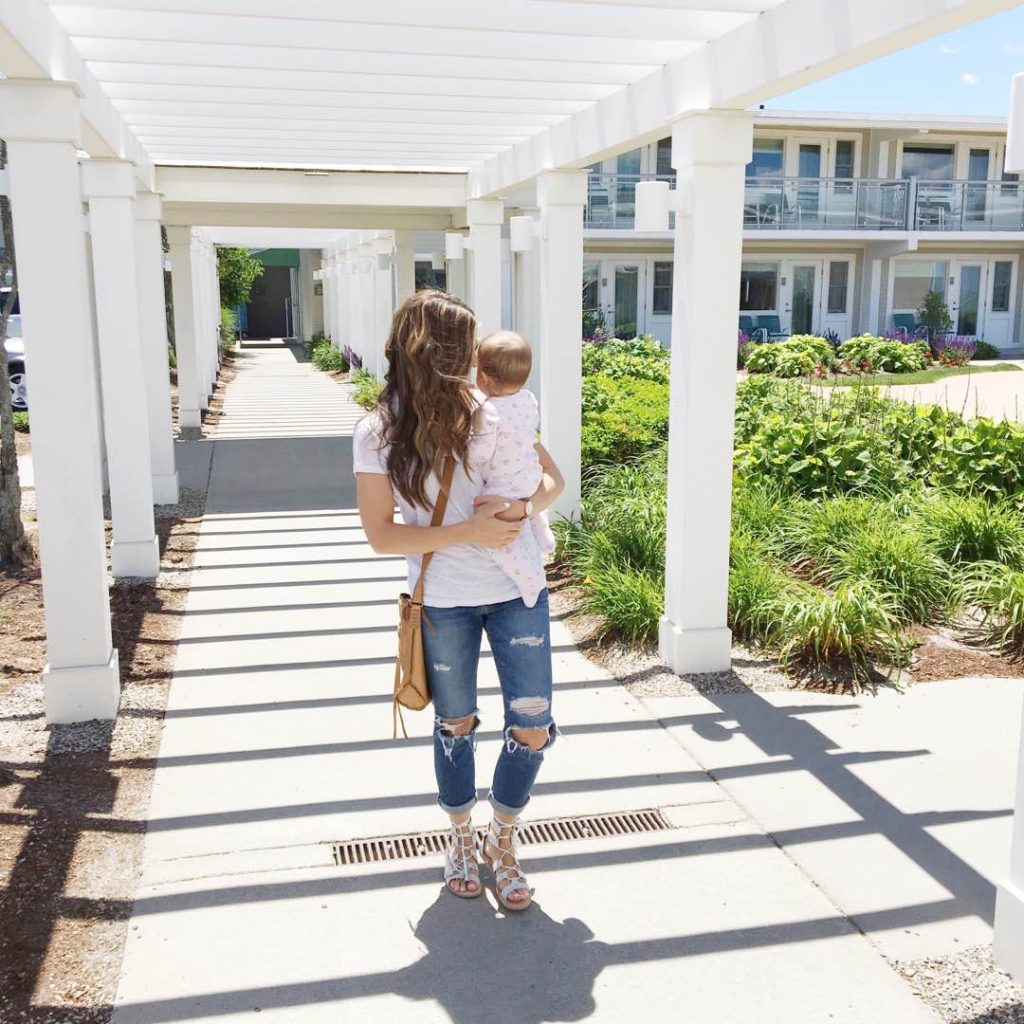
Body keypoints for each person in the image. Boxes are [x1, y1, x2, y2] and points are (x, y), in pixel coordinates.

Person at [353, 290, 564, 912]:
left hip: (516, 592)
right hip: (443, 600)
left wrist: (524, 508)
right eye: (467, 345)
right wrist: (467, 532)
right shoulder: (379, 431)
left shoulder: (497, 408)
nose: (477, 356)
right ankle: (462, 840)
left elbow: (552, 480)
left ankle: (504, 837)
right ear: (438, 353)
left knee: (532, 727)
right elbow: (381, 535)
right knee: (456, 726)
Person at [474, 330, 556, 608]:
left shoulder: (487, 412)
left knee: (501, 541)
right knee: (527, 499)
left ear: (483, 378)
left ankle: (531, 578)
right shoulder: (528, 399)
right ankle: (543, 535)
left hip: (503, 482)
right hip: (529, 472)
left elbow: (481, 452)